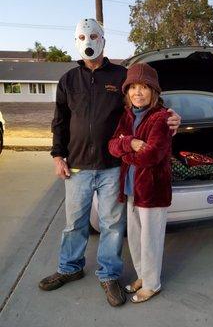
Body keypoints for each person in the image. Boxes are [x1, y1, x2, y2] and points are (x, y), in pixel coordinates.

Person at [38, 18, 180, 307]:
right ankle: (69, 268)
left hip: (113, 166)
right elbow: (60, 121)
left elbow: (147, 102)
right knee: (73, 223)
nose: (87, 41)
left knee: (112, 224)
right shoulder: (68, 80)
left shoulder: (122, 76)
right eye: (81, 36)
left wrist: (174, 116)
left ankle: (109, 274)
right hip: (77, 165)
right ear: (75, 40)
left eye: (93, 35)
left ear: (103, 39)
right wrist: (57, 155)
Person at [108, 63, 172, 303]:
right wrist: (130, 143)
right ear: (127, 92)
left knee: (151, 240)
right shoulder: (127, 115)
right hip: (131, 189)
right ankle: (143, 276)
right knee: (135, 237)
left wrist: (125, 149)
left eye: (144, 87)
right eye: (133, 87)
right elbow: (112, 144)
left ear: (153, 91)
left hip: (153, 191)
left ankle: (153, 284)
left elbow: (152, 155)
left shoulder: (161, 118)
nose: (137, 92)